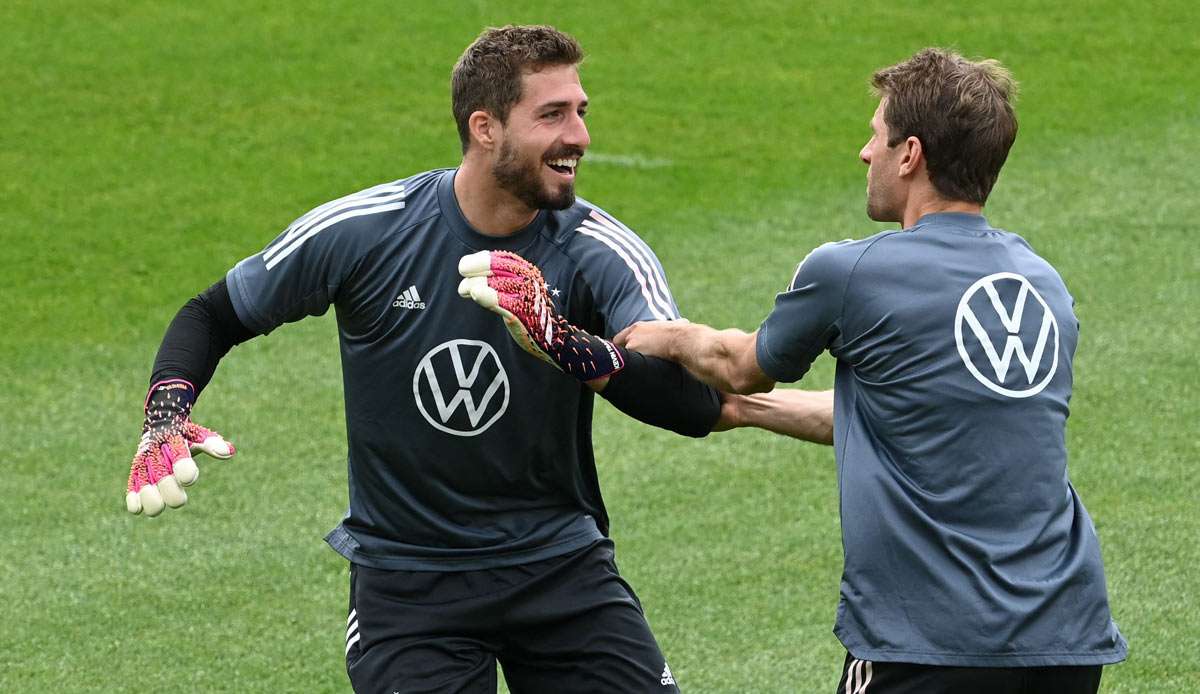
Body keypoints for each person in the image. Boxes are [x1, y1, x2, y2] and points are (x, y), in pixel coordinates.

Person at [122, 24, 775, 693]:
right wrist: (165, 415)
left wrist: (567, 344)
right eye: (552, 114)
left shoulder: (598, 249)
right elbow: (212, 314)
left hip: (558, 570)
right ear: (485, 127)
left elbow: (693, 405)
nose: (578, 135)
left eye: (581, 112)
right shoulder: (367, 231)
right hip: (408, 586)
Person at [611, 48, 1127, 692]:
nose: (865, 152)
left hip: (929, 645)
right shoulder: (1044, 286)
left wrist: (666, 335)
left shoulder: (851, 271)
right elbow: (905, 413)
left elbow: (738, 367)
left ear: (910, 154)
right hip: (1065, 642)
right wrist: (742, 417)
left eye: (877, 135)